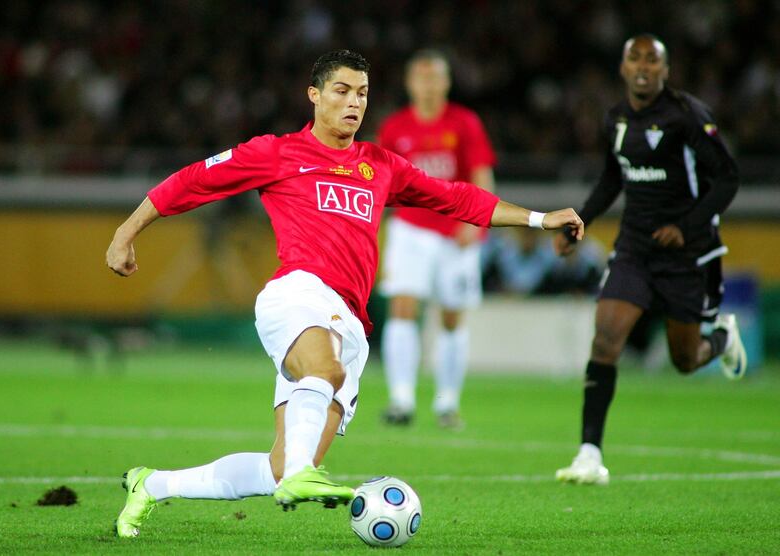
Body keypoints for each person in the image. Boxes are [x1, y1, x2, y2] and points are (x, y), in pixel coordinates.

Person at [106, 49, 585, 538]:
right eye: (341, 90)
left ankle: (153, 484)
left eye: (362, 94)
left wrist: (539, 218)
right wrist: (126, 231)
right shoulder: (277, 153)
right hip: (297, 294)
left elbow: (457, 197)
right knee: (324, 373)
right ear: (314, 95)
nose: (354, 103)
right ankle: (300, 475)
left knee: (281, 464)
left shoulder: (380, 165)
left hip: (351, 322)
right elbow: (194, 181)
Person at [553, 35, 746, 486]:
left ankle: (720, 340)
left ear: (665, 69)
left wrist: (688, 225)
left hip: (686, 254)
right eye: (634, 58)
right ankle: (589, 454)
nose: (643, 67)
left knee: (684, 359)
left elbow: (728, 179)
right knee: (606, 339)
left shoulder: (687, 116)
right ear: (622, 68)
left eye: (652, 60)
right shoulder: (616, 118)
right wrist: (579, 222)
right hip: (635, 249)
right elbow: (611, 179)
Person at [378, 49, 496, 430]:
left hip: (454, 230)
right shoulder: (395, 128)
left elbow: (481, 173)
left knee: (451, 316)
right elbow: (379, 182)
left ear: (446, 83)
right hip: (410, 228)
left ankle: (447, 402)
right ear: (410, 84)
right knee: (403, 307)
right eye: (421, 78)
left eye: (435, 78)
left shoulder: (464, 123)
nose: (428, 85)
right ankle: (401, 399)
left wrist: (476, 222)